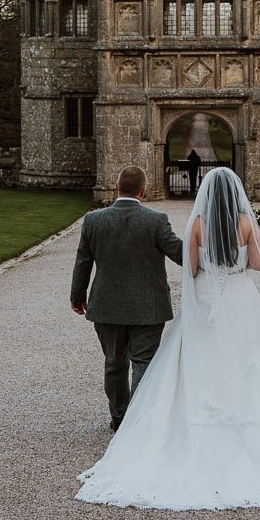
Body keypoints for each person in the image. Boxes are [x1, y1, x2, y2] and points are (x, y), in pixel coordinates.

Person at [76, 166, 260, 510]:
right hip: (237, 301)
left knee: (149, 360)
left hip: (179, 304)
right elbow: (257, 266)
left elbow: (193, 269)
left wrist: (207, 260)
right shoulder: (245, 223)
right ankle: (236, 415)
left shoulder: (193, 224)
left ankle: (130, 420)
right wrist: (252, 245)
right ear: (235, 195)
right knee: (240, 360)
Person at [70, 166, 184, 431]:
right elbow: (182, 255)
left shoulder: (93, 220)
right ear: (143, 191)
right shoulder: (156, 221)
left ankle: (120, 418)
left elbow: (82, 262)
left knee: (114, 363)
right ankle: (139, 420)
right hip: (149, 307)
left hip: (106, 305)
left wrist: (78, 296)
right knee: (144, 362)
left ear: (115, 187)